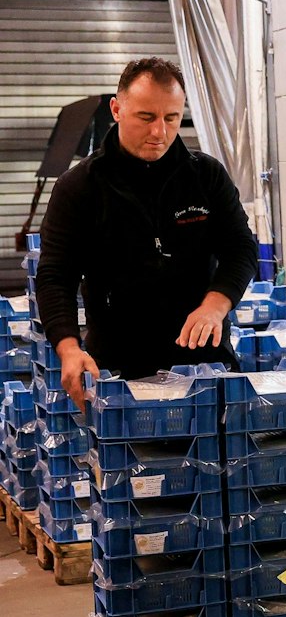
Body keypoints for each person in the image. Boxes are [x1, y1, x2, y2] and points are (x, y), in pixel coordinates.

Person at [36, 56, 256, 410]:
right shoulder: (79, 187)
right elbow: (54, 276)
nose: (160, 132)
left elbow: (241, 248)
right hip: (118, 371)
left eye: (171, 118)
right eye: (146, 117)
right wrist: (69, 347)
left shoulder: (206, 176)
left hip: (203, 365)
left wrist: (215, 306)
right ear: (117, 109)